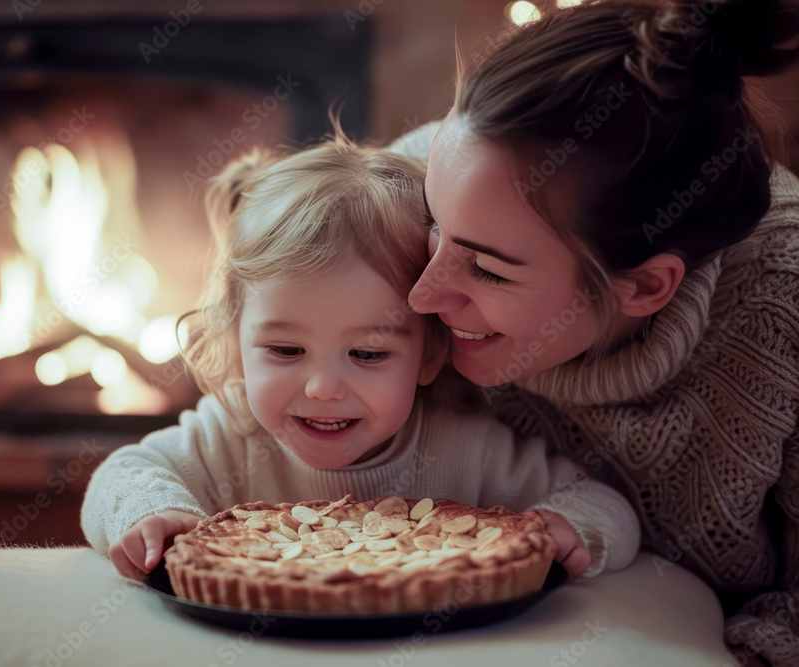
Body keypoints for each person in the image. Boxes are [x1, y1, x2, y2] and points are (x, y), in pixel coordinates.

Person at [400, 0, 799, 664]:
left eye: (488, 269)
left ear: (644, 287)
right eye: (431, 224)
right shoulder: (445, 172)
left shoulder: (782, 311)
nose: (420, 292)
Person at [81, 132, 640, 586]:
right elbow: (123, 473)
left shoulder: (462, 448)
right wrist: (150, 515)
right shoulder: (232, 434)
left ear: (428, 356)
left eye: (368, 353)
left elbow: (603, 502)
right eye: (284, 350)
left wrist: (569, 526)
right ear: (235, 342)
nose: (323, 387)